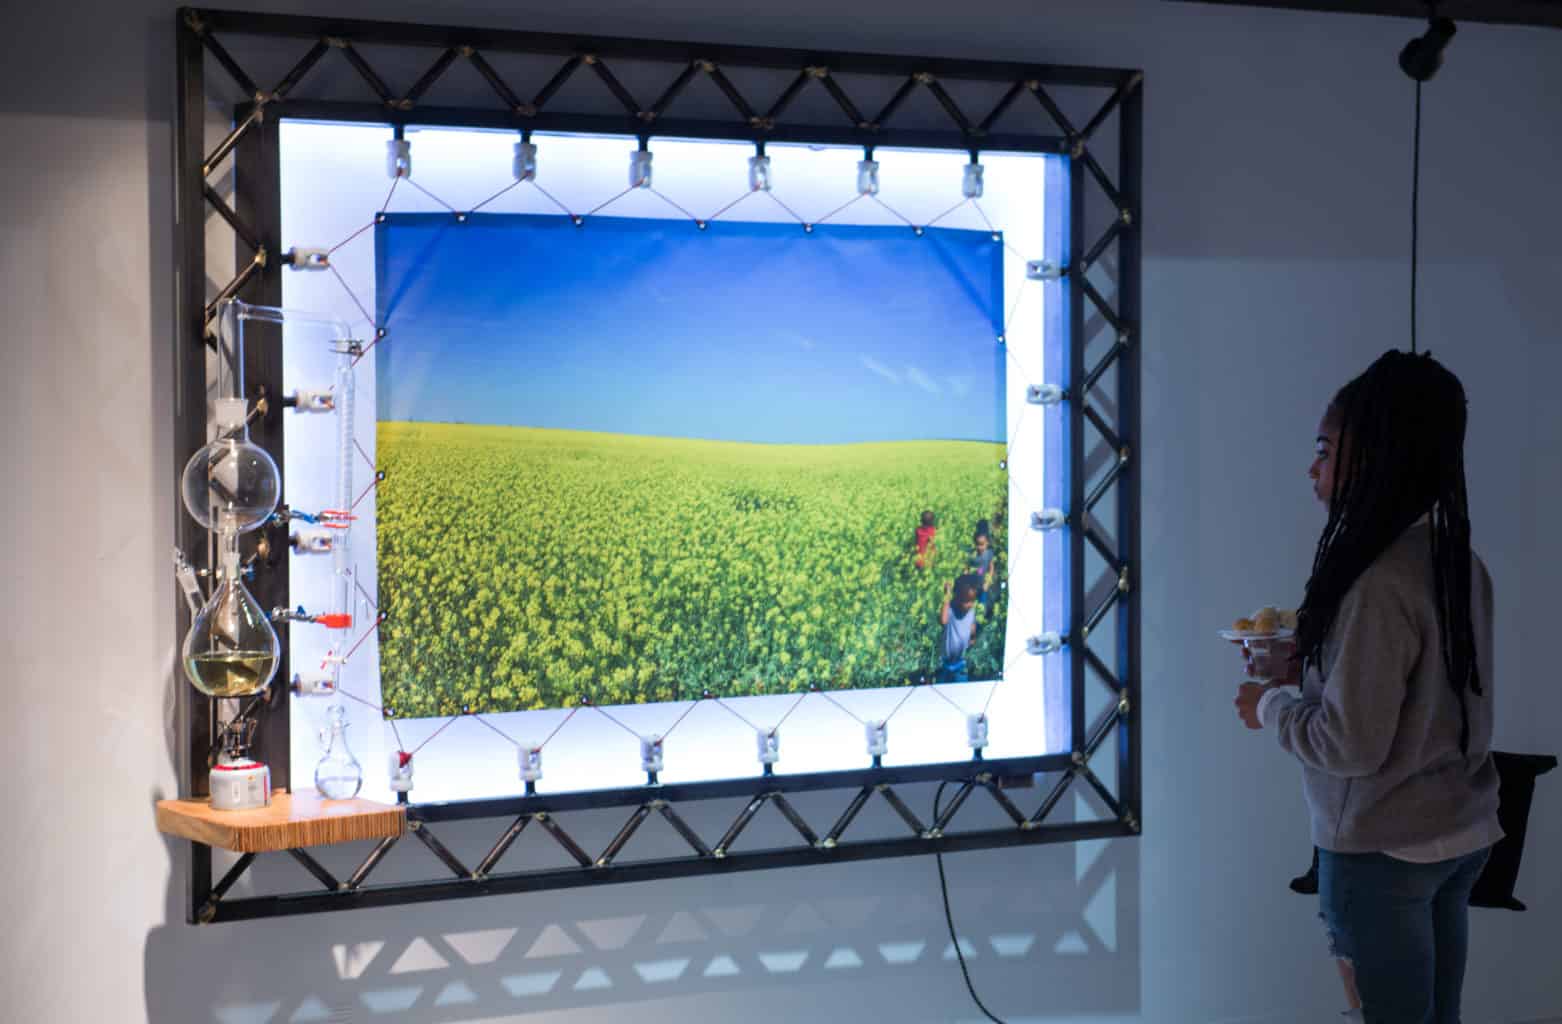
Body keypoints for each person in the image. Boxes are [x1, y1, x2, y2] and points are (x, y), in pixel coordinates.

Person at [1233, 350, 1501, 1024]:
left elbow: (1351, 745)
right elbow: (1429, 697)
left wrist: (1269, 705)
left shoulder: (1375, 582)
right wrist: (1312, 669)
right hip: (1459, 834)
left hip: (1382, 857)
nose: (1312, 470)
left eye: (1325, 450)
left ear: (1376, 458)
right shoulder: (1453, 561)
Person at [938, 576, 981, 683]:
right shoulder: (952, 609)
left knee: (961, 687)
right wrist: (947, 596)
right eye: (966, 601)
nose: (969, 605)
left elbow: (972, 625)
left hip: (962, 662)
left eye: (972, 601)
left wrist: (973, 637)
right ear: (957, 598)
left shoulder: (971, 611)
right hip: (946, 661)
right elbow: (943, 620)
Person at [967, 528, 997, 612]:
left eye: (982, 544)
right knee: (970, 607)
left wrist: (987, 582)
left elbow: (991, 567)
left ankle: (980, 620)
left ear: (987, 543)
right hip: (972, 586)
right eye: (977, 544)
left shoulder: (989, 553)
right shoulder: (972, 554)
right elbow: (967, 568)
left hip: (983, 586)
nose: (979, 547)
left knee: (981, 606)